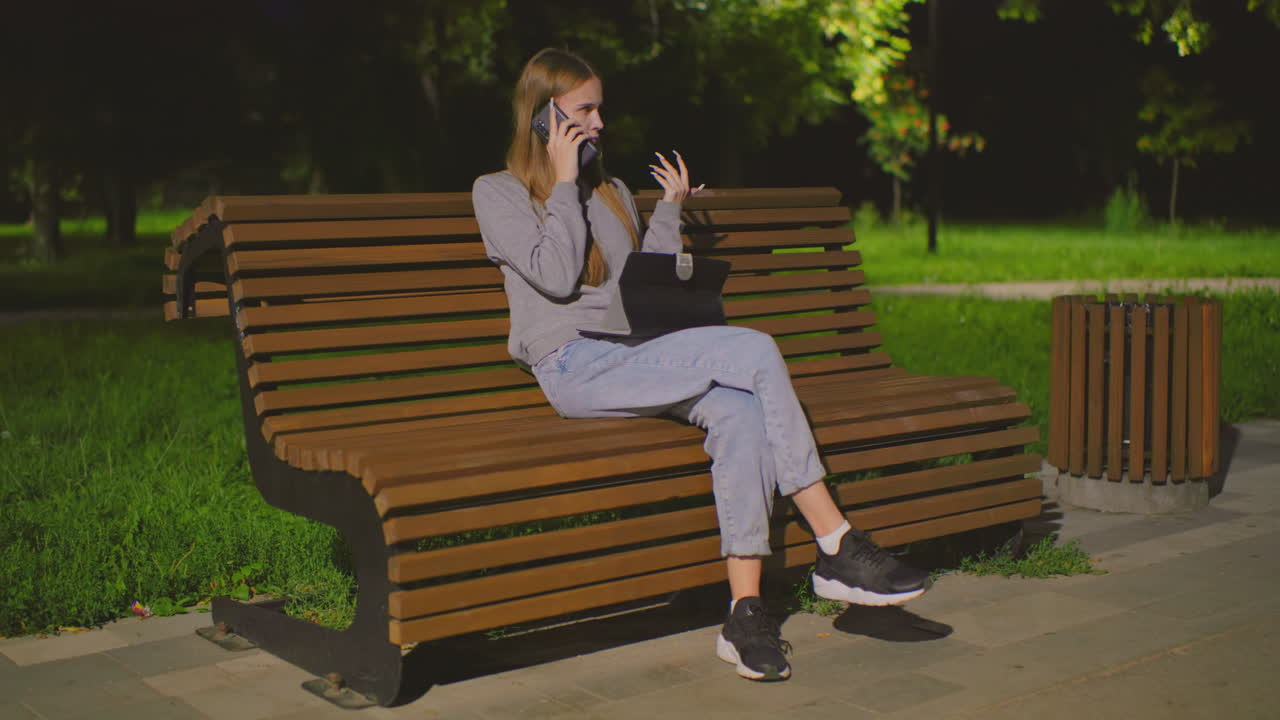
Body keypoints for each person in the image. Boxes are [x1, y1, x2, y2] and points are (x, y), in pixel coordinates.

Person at [472, 47, 929, 682]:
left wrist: (667, 210)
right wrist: (565, 179)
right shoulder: (497, 193)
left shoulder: (609, 194)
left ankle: (744, 614)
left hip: (634, 354)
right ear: (544, 116)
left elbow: (645, 288)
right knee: (755, 347)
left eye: (600, 109)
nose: (600, 123)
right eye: (585, 110)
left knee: (740, 411)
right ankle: (836, 542)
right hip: (575, 367)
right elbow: (552, 275)